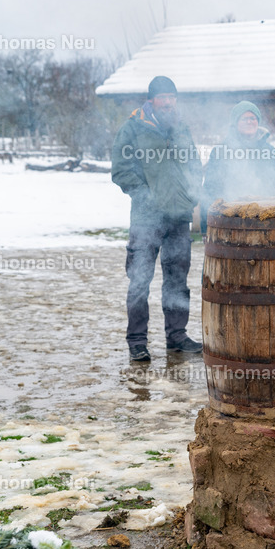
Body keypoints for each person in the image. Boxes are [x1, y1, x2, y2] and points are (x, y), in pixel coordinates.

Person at [111, 76, 204, 362]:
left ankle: (177, 336)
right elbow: (121, 170)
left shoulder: (181, 128)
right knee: (140, 280)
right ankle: (137, 341)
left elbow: (193, 164)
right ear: (151, 100)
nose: (168, 102)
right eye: (162, 97)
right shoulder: (133, 129)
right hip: (146, 219)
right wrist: (146, 196)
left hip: (178, 218)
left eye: (172, 97)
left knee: (177, 280)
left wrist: (191, 195)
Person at [200, 101, 275, 232]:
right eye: (244, 118)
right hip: (230, 221)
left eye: (253, 118)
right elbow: (210, 189)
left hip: (266, 222)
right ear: (235, 122)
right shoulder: (221, 151)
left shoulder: (270, 151)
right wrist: (206, 226)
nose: (249, 122)